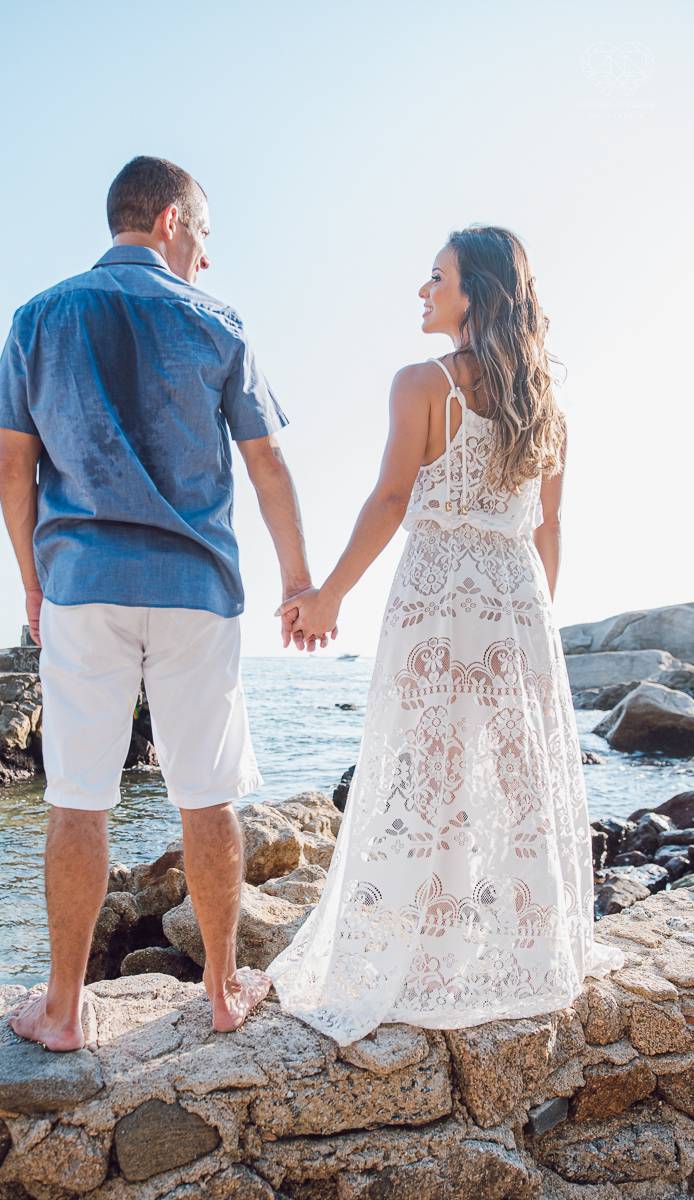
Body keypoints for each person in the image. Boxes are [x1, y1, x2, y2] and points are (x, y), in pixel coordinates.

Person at [0, 156, 317, 1047]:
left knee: (78, 800)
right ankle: (217, 991)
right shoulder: (217, 321)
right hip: (194, 591)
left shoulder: (38, 317)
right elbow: (268, 463)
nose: (205, 256)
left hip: (82, 587)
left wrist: (31, 580)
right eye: (203, 234)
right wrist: (297, 582)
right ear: (170, 219)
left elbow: (15, 465)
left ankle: (61, 1007)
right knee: (206, 798)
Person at [270, 226, 622, 1046]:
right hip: (516, 598)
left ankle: (418, 956)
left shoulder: (422, 383)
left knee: (424, 771)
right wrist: (534, 632)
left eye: (438, 278)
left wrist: (325, 598)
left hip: (439, 594)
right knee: (511, 777)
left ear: (477, 295)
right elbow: (551, 526)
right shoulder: (547, 406)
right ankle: (526, 950)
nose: (423, 292)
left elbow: (392, 501)